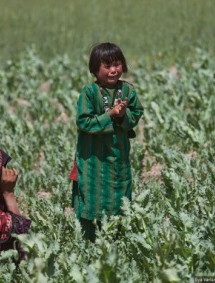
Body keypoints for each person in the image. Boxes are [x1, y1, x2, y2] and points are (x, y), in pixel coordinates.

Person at [70, 42, 144, 242]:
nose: (113, 70)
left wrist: (122, 117)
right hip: (92, 158)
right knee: (90, 195)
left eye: (117, 65)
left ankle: (116, 238)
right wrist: (110, 114)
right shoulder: (89, 93)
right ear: (95, 69)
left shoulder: (128, 91)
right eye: (107, 66)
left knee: (119, 194)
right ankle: (88, 240)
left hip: (117, 156)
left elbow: (136, 113)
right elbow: (84, 121)